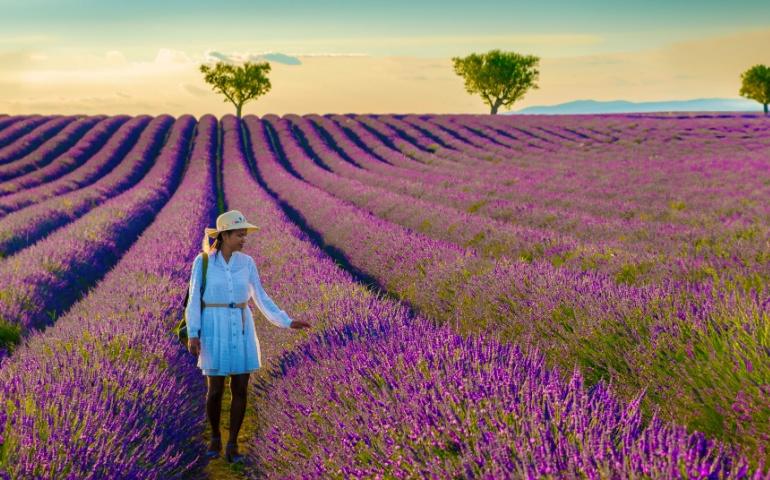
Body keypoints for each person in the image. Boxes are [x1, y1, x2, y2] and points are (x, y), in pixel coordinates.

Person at [185, 209, 310, 463]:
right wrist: (194, 334)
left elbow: (260, 297)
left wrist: (285, 321)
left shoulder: (247, 263)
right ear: (225, 235)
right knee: (215, 389)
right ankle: (215, 437)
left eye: (244, 234)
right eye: (240, 235)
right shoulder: (203, 262)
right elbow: (194, 299)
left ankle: (232, 443)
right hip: (213, 326)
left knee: (240, 386)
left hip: (241, 325)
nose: (244, 239)